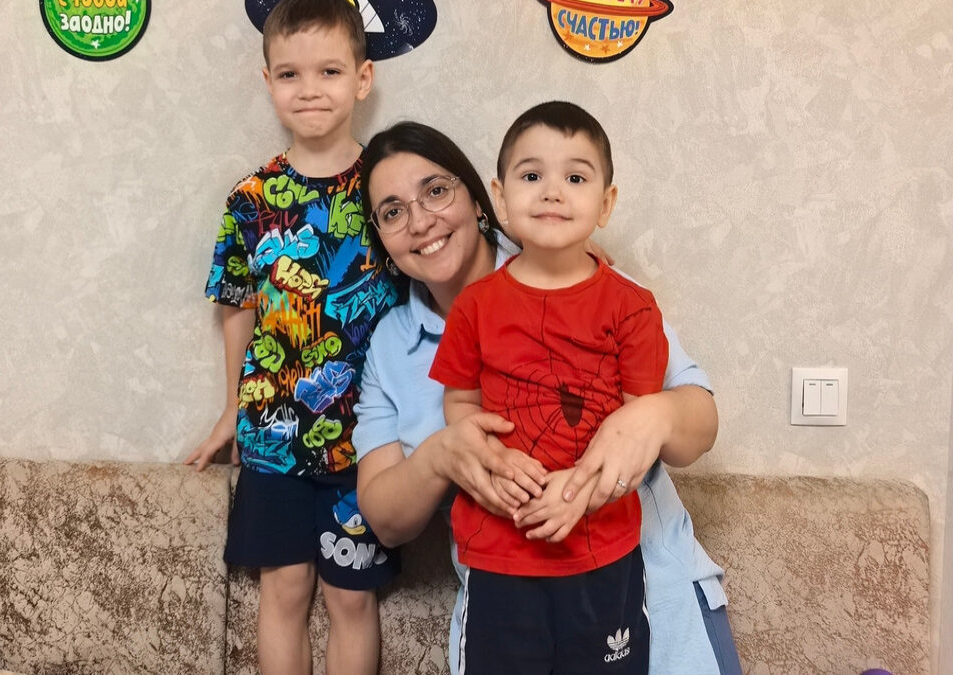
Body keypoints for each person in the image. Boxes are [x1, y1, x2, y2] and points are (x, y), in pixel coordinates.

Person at [353, 120, 742, 674]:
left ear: (481, 200)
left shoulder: (587, 275)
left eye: (436, 191)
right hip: (510, 605)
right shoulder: (390, 347)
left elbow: (700, 427)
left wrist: (655, 414)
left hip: (653, 591)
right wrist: (441, 455)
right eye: (392, 212)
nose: (419, 221)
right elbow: (386, 521)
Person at [185, 1, 399, 673]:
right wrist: (231, 408)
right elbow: (238, 306)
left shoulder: (390, 190)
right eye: (290, 74)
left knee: (351, 598)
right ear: (268, 81)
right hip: (272, 438)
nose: (309, 89)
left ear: (362, 78)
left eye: (329, 71)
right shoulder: (251, 199)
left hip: (369, 443)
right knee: (283, 590)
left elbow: (443, 277)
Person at [428, 101, 666, 672]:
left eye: (576, 178)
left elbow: (640, 428)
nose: (553, 192)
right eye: (532, 176)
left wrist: (582, 489)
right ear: (500, 197)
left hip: (602, 553)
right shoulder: (475, 306)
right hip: (500, 552)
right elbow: (459, 402)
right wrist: (488, 454)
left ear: (606, 203)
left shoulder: (633, 308)